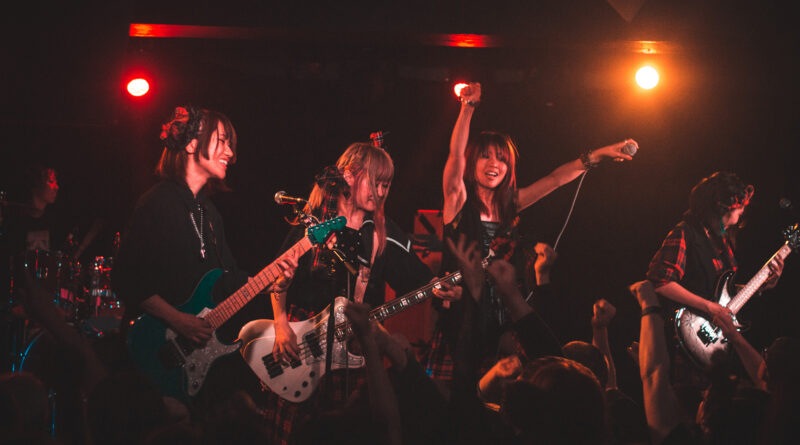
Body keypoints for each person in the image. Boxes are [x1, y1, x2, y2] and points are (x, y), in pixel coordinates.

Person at [425, 81, 637, 387]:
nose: (493, 164)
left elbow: (555, 179)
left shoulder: (513, 204)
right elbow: (455, 156)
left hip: (504, 324)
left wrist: (600, 155)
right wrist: (467, 107)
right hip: (464, 319)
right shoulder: (457, 201)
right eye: (485, 156)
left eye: (501, 158)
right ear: (473, 165)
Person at [265, 141, 457, 445]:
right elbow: (279, 276)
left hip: (350, 346)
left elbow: (418, 280)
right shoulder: (314, 219)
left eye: (386, 185)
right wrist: (280, 325)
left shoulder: (384, 233)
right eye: (375, 182)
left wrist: (442, 288)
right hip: (300, 338)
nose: (381, 192)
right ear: (350, 175)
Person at [112, 105, 294, 421]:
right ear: (192, 144)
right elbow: (125, 279)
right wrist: (178, 320)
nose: (230, 153)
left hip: (195, 368)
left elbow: (227, 281)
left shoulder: (208, 213)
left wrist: (272, 283)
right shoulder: (158, 202)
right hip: (156, 352)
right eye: (222, 141)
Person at [646, 171, 785, 388]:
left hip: (715, 347)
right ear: (723, 207)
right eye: (739, 209)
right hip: (685, 340)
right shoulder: (685, 233)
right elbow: (660, 282)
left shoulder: (724, 243)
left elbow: (719, 289)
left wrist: (764, 284)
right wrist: (710, 307)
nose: (741, 215)